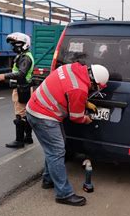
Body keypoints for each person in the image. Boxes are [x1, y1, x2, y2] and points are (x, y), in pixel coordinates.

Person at [25, 62, 109, 206]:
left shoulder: (70, 68)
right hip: (43, 115)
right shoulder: (79, 90)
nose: (94, 89)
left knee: (54, 148)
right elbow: (76, 117)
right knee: (56, 151)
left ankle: (48, 179)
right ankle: (64, 194)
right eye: (96, 87)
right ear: (94, 82)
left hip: (37, 107)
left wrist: (84, 102)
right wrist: (87, 118)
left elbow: (65, 90)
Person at [0, 32, 34, 149]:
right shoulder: (23, 56)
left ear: (24, 45)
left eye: (16, 44)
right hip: (24, 87)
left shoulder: (25, 57)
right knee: (25, 114)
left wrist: (4, 76)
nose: (14, 47)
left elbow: (21, 74)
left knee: (20, 115)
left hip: (22, 89)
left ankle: (19, 140)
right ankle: (28, 137)